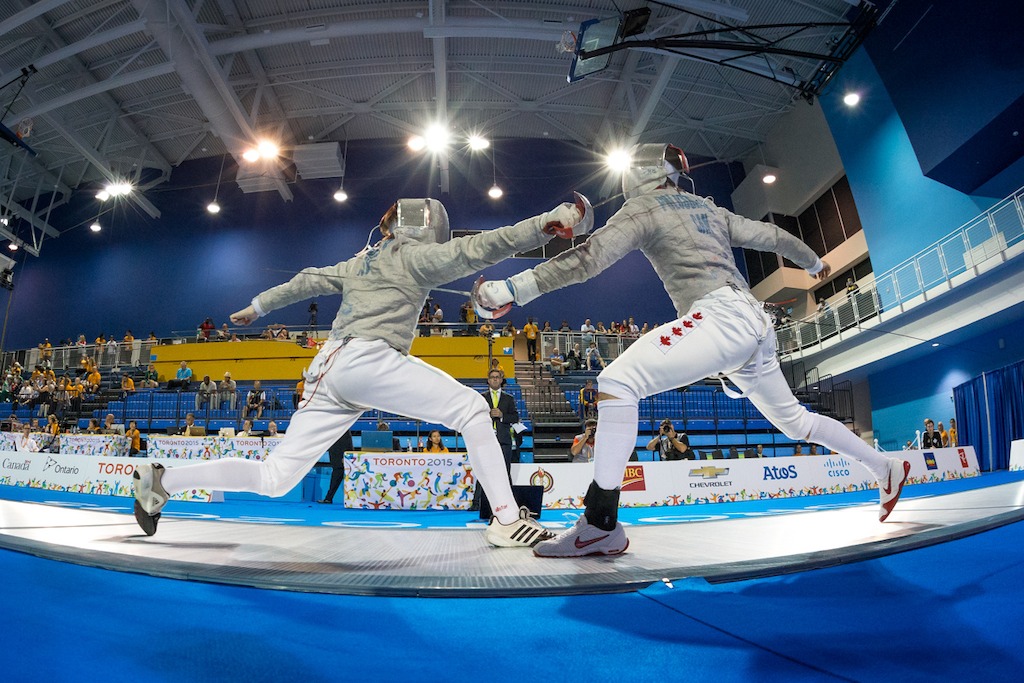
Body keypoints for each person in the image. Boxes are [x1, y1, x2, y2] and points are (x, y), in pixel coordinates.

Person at [476, 142, 910, 557]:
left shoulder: (645, 207)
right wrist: (815, 263)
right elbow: (773, 235)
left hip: (722, 317)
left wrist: (514, 287)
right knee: (797, 422)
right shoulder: (709, 208)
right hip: (755, 323)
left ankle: (600, 524)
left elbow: (589, 258)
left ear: (640, 174)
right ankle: (883, 467)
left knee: (617, 382)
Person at [131, 196, 588, 547]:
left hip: (327, 371)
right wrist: (545, 223)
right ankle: (506, 520)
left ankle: (162, 481)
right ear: (427, 228)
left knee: (276, 478)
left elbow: (308, 279)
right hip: (366, 361)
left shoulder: (360, 261)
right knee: (472, 408)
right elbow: (483, 247)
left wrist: (259, 305)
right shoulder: (415, 256)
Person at [317, 430, 353, 505]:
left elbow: (347, 442)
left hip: (341, 456)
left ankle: (329, 498)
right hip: (337, 455)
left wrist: (345, 455)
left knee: (338, 476)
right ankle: (328, 498)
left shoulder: (343, 429)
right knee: (337, 476)